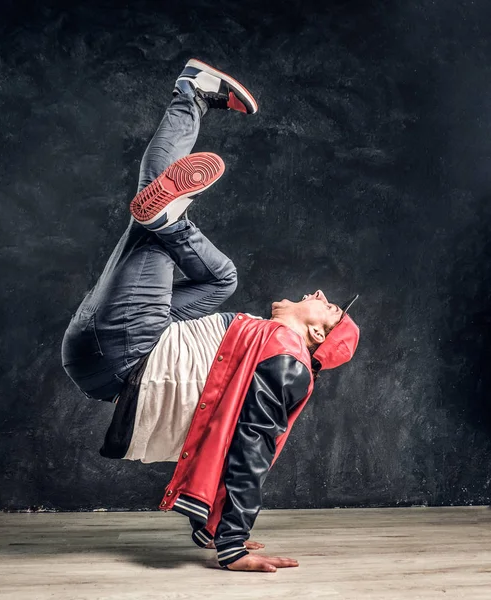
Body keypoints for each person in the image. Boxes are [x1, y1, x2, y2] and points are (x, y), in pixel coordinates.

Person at [61, 58, 360, 573]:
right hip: (119, 346)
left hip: (128, 349)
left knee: (162, 220)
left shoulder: (287, 361)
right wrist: (215, 524)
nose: (316, 291)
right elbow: (230, 434)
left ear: (316, 332)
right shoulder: (265, 342)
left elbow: (250, 448)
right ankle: (170, 208)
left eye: (326, 305)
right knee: (219, 277)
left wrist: (234, 543)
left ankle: (192, 96)